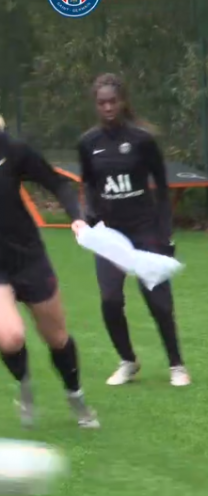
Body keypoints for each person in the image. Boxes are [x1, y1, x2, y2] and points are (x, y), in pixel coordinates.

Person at [77, 73, 190, 387]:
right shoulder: (88, 143)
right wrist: (89, 215)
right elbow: (87, 181)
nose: (108, 107)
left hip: (144, 230)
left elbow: (163, 188)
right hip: (109, 234)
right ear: (96, 105)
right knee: (110, 300)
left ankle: (176, 365)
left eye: (113, 101)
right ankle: (128, 360)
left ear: (123, 102)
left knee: (157, 299)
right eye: (102, 103)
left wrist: (165, 233)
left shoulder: (142, 139)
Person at [0, 116, 100, 428]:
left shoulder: (13, 150)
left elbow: (57, 182)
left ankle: (76, 396)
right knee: (9, 338)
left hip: (28, 257)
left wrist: (77, 217)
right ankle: (25, 386)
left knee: (56, 337)